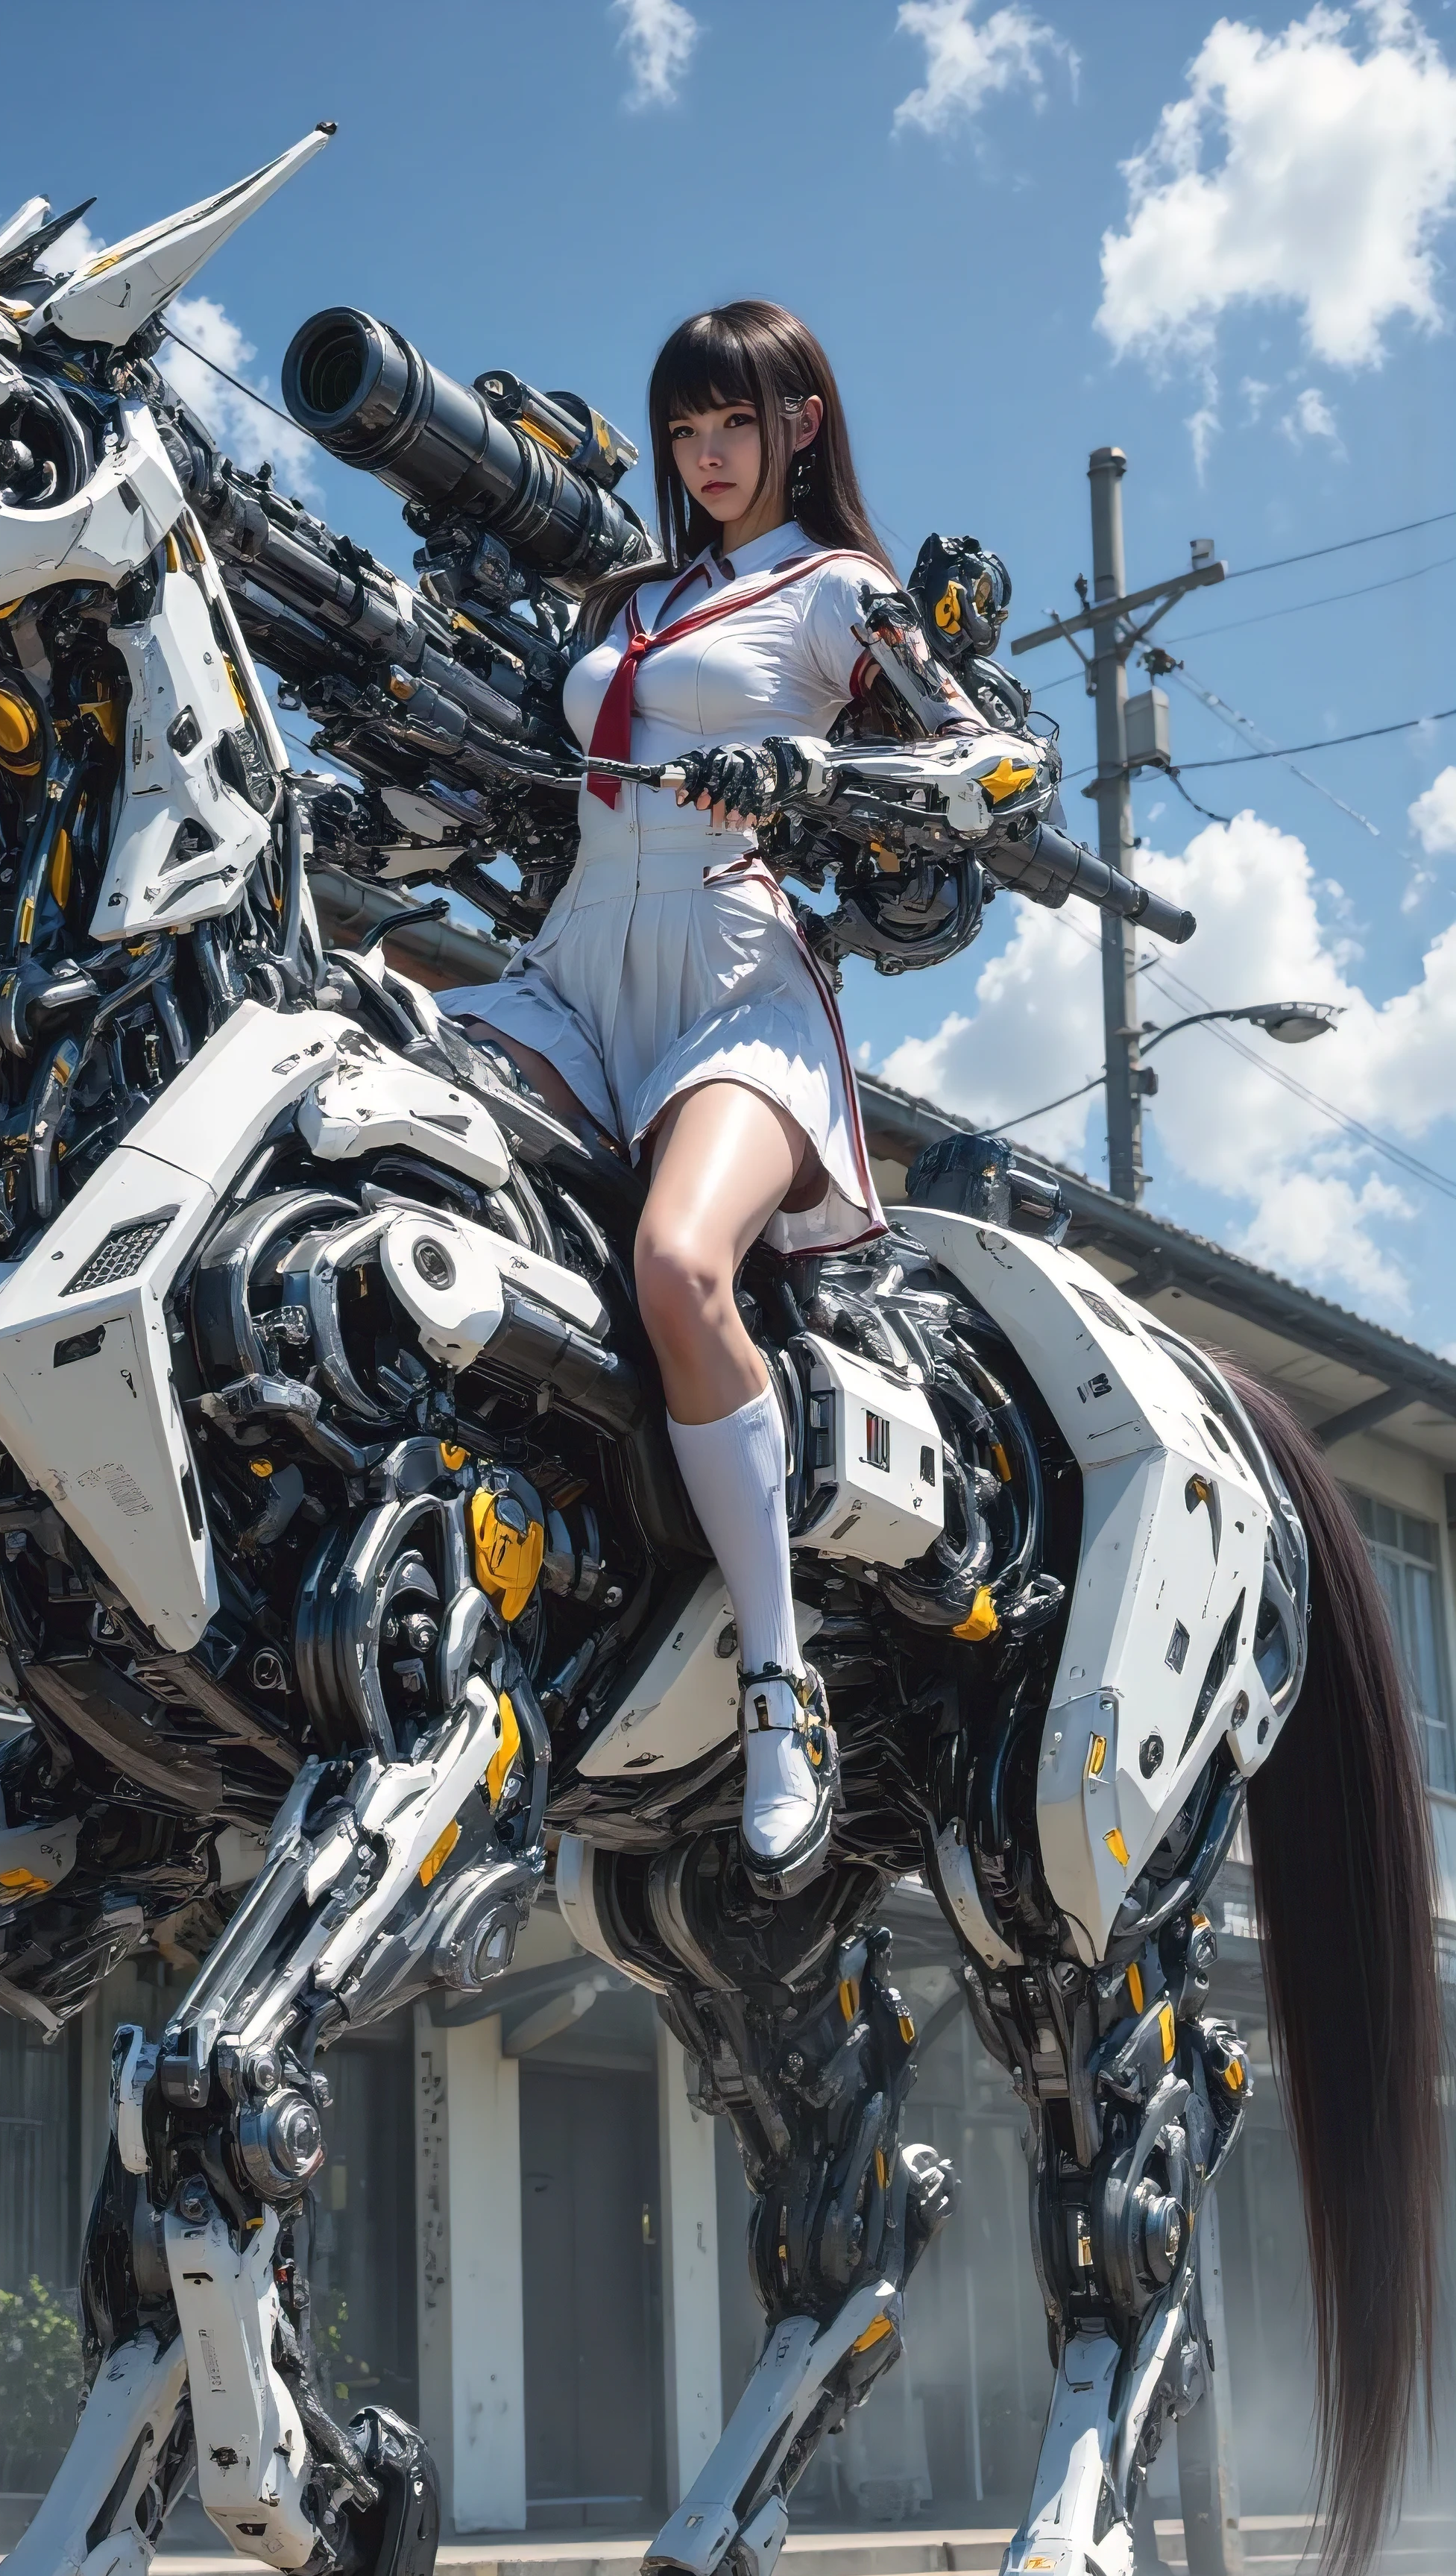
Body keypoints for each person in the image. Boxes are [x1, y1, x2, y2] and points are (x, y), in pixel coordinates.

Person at [441, 300, 986, 1892]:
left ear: (800, 423)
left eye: (734, 423)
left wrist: (815, 774)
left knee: (680, 1267)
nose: (707, 456)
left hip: (734, 977)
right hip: (572, 966)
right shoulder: (634, 598)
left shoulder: (842, 592)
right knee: (377, 1104)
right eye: (685, 431)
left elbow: (985, 765)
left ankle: (776, 1680)